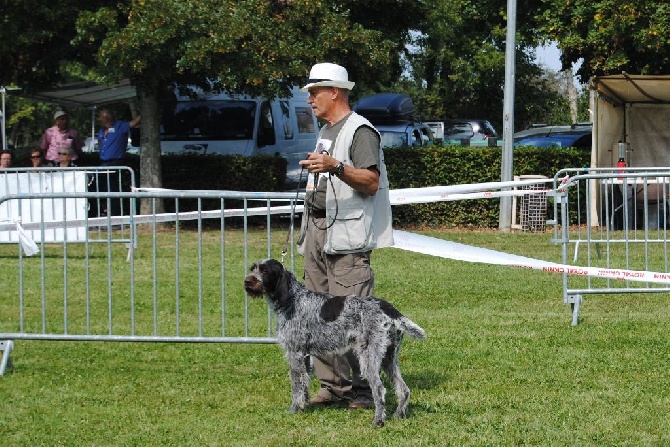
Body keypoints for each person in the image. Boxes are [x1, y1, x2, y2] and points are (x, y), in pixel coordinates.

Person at [296, 62, 394, 410]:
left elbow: (370, 182)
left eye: (314, 92)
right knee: (316, 314)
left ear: (334, 92)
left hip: (348, 238)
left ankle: (367, 391)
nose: (309, 99)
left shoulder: (360, 131)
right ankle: (333, 388)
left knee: (353, 315)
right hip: (318, 230)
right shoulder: (326, 130)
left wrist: (335, 166)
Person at [96, 108, 141, 215]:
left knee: (113, 188)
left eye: (101, 117)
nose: (99, 119)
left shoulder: (120, 126)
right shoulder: (101, 130)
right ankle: (103, 210)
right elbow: (100, 142)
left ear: (106, 118)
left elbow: (133, 123)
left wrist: (142, 113)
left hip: (116, 162)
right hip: (103, 162)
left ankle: (114, 214)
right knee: (101, 188)